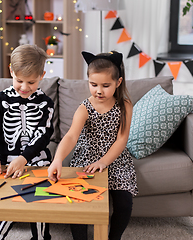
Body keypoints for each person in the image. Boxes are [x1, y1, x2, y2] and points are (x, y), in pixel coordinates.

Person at [48, 50, 138, 240]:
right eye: (93, 84)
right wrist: (58, 159)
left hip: (115, 160)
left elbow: (122, 139)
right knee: (77, 202)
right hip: (87, 159)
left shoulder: (125, 105)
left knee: (124, 203)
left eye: (106, 86)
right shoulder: (84, 108)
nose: (99, 90)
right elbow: (71, 136)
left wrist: (104, 162)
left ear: (118, 82)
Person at [0, 44, 54, 240]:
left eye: (32, 82)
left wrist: (24, 158)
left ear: (42, 75)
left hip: (38, 162)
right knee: (8, 202)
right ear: (11, 71)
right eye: (19, 80)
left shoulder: (45, 103)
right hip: (7, 165)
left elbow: (43, 135)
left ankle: (41, 237)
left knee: (37, 201)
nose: (25, 87)